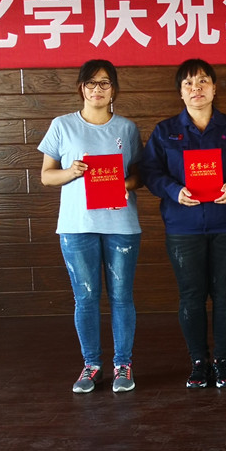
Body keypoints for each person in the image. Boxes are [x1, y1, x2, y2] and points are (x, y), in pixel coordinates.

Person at [141, 59, 226, 389]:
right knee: (191, 296)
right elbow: (150, 172)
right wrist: (173, 190)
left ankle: (223, 361)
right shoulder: (165, 131)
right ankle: (197, 362)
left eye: (203, 81)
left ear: (214, 88)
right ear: (180, 92)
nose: (196, 89)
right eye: (189, 84)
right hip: (183, 227)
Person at [38, 59, 142, 394]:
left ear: (114, 89)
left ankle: (123, 364)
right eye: (91, 83)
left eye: (104, 83)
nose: (97, 89)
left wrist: (123, 185)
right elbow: (46, 176)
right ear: (81, 88)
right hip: (76, 224)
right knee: (85, 298)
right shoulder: (62, 125)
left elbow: (139, 175)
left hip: (121, 224)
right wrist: (71, 172)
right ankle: (92, 365)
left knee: (121, 297)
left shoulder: (127, 128)